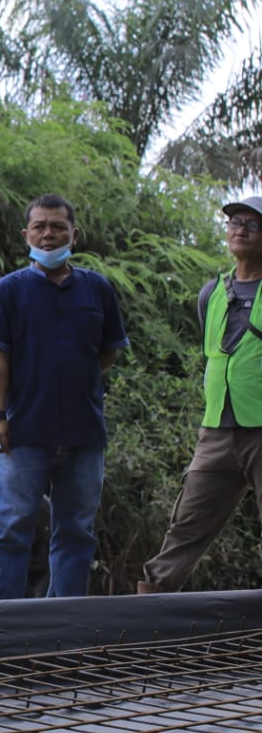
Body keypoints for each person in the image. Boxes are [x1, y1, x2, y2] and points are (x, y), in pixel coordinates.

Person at [0, 194, 128, 599]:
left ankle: (66, 621)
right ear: (25, 234)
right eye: (40, 226)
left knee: (76, 530)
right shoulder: (8, 291)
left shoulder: (97, 289)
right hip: (24, 430)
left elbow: (108, 351)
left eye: (58, 227)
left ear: (74, 235)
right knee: (12, 524)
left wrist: (72, 380)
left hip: (84, 432)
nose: (48, 234)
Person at [141, 197, 262, 594]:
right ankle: (147, 615)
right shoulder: (212, 292)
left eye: (252, 224)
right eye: (234, 222)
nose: (240, 229)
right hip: (217, 430)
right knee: (186, 525)